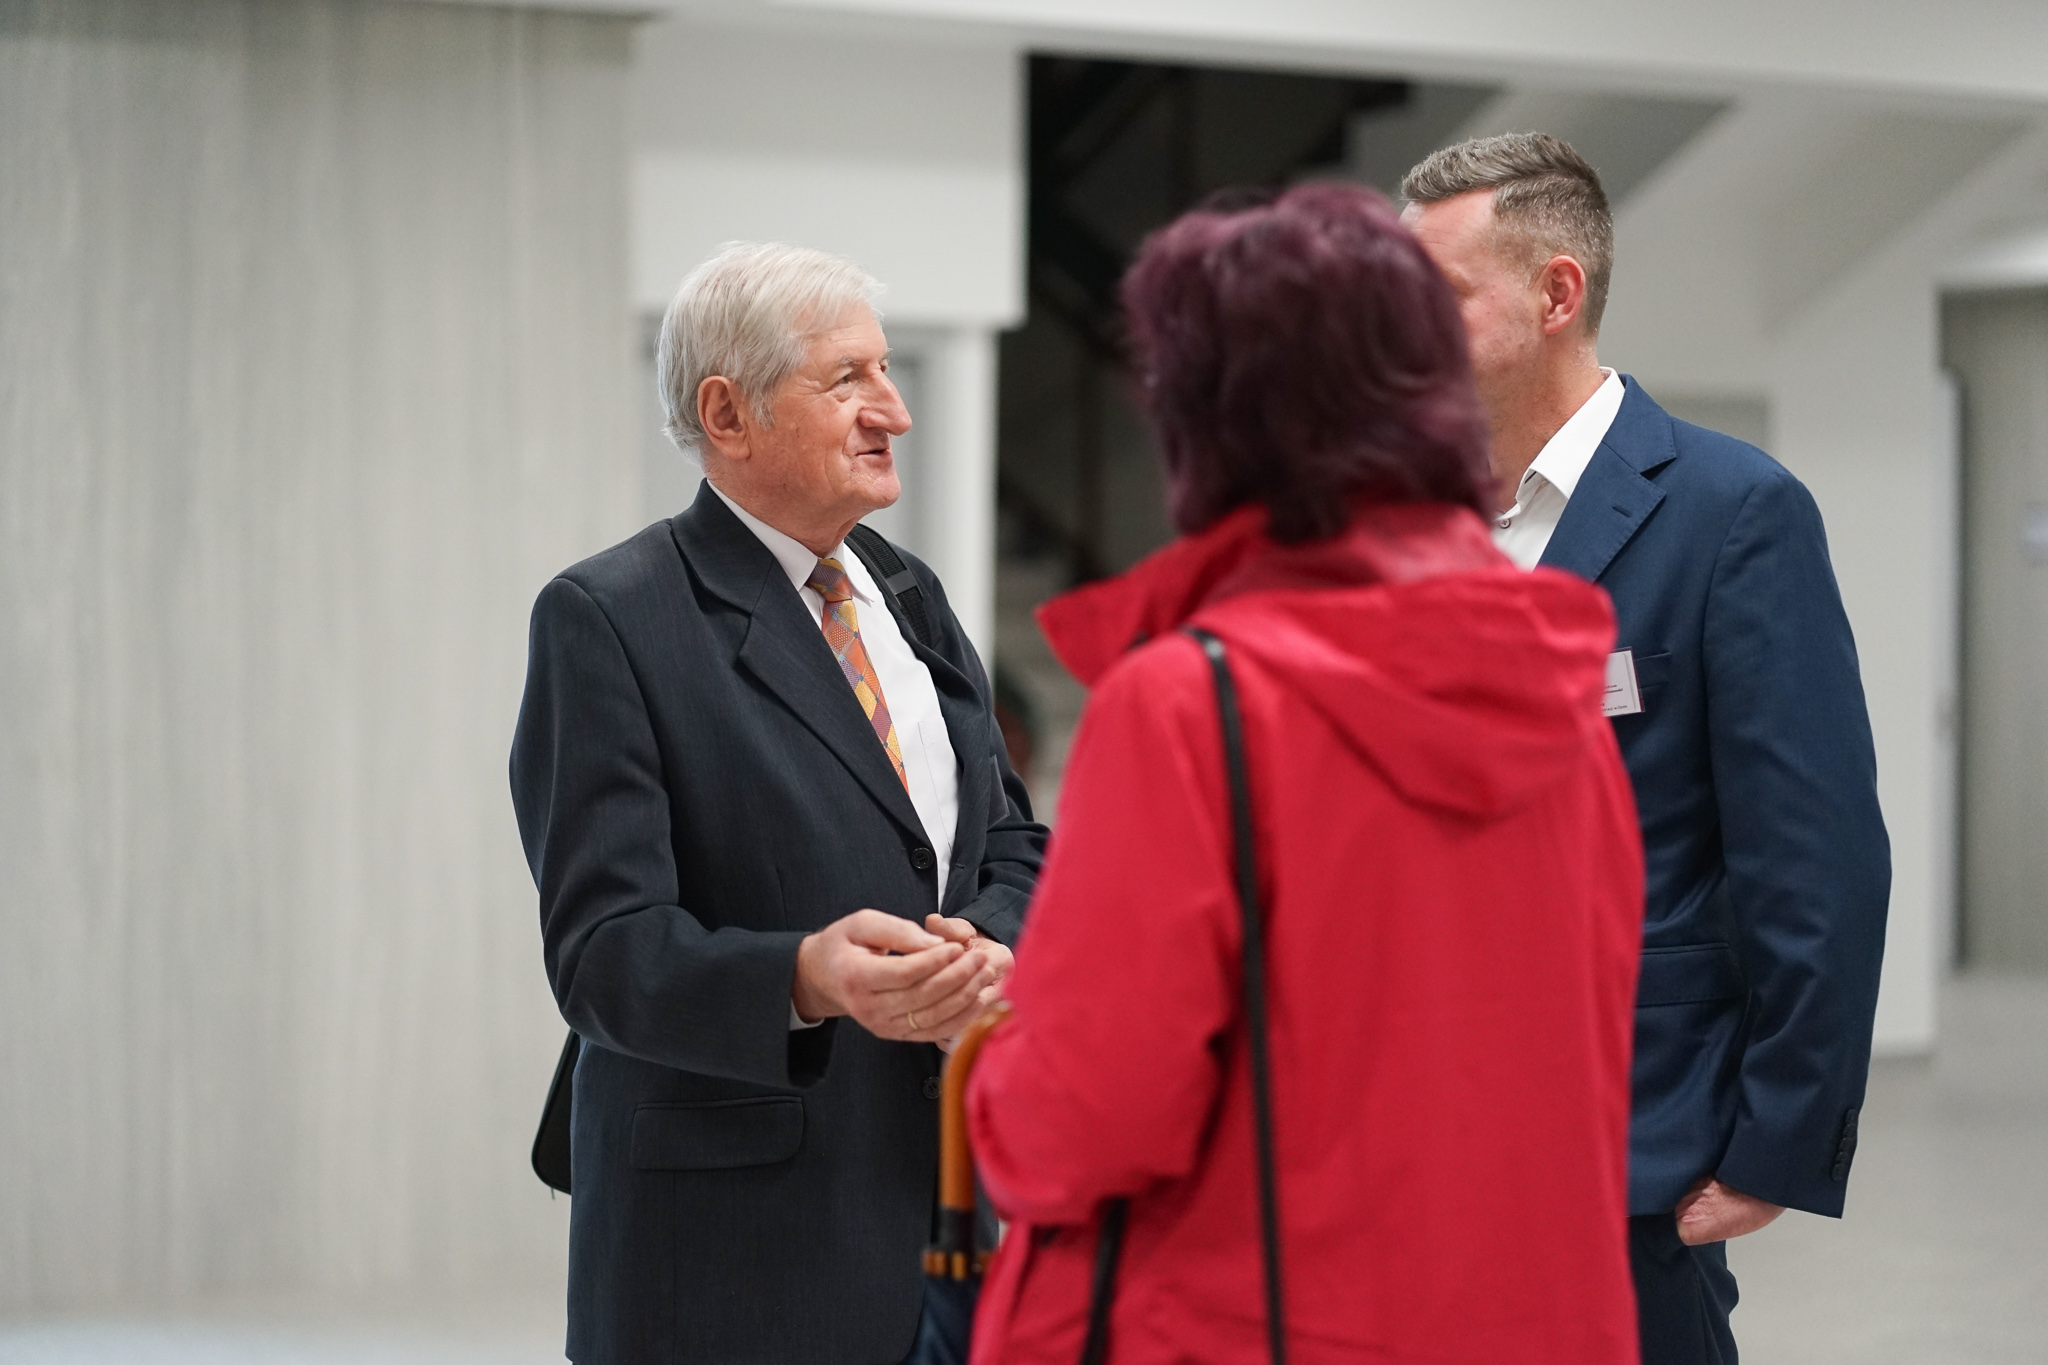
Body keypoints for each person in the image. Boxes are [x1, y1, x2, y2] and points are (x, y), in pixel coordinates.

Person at [963, 184, 1644, 1365]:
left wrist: (988, 1071)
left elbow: (1080, 1118)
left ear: (1206, 414)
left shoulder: (1192, 702)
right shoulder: (1554, 682)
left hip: (1242, 1322)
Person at [1401, 133, 1891, 1365]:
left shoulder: (1729, 513)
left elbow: (1815, 859)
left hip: (1627, 1138)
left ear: (1555, 295)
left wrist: (1777, 1142)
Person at [509, 242, 1046, 1365]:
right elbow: (605, 954)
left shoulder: (907, 590)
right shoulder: (608, 617)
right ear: (727, 414)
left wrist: (992, 942)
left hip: (941, 1214)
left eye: (887, 370)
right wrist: (808, 976)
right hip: (729, 1254)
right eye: (848, 378)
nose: (893, 411)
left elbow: (1007, 835)